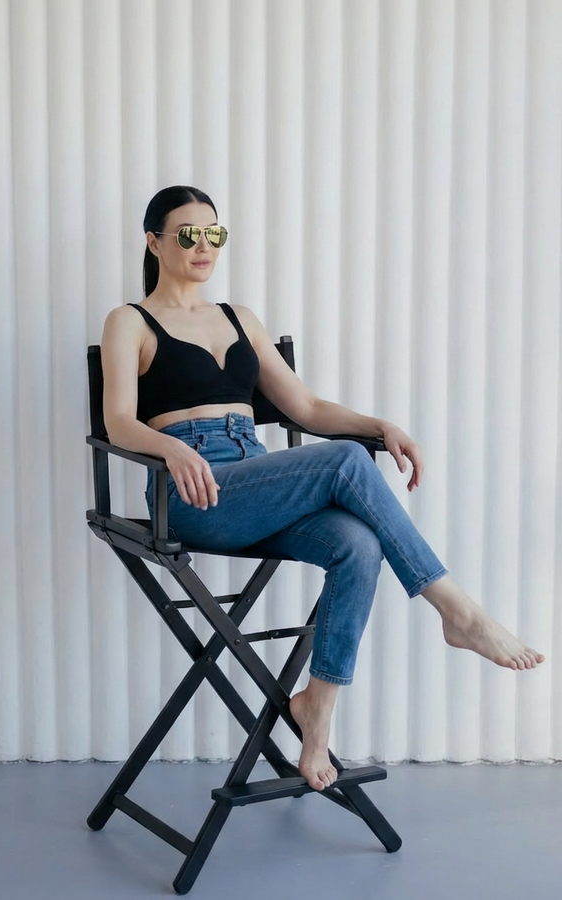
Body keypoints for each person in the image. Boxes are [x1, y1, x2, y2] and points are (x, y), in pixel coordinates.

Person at [101, 185, 544, 792]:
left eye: (214, 234)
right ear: (154, 242)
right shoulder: (129, 321)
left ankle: (316, 711)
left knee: (358, 542)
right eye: (188, 234)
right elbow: (118, 422)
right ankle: (458, 612)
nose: (204, 246)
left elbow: (305, 407)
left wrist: (379, 426)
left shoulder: (239, 318)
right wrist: (171, 448)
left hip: (256, 480)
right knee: (342, 461)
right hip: (191, 492)